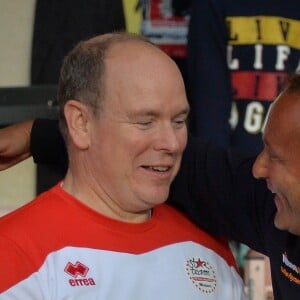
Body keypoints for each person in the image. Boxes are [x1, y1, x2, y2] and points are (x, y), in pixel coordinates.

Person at [2, 75, 300, 299]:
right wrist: (38, 135)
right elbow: (193, 169)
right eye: (146, 120)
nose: (258, 169)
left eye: (275, 157)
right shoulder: (268, 205)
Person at [0, 32, 245, 299]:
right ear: (81, 123)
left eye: (178, 121)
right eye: (145, 122)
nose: (172, 143)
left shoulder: (209, 247)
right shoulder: (13, 254)